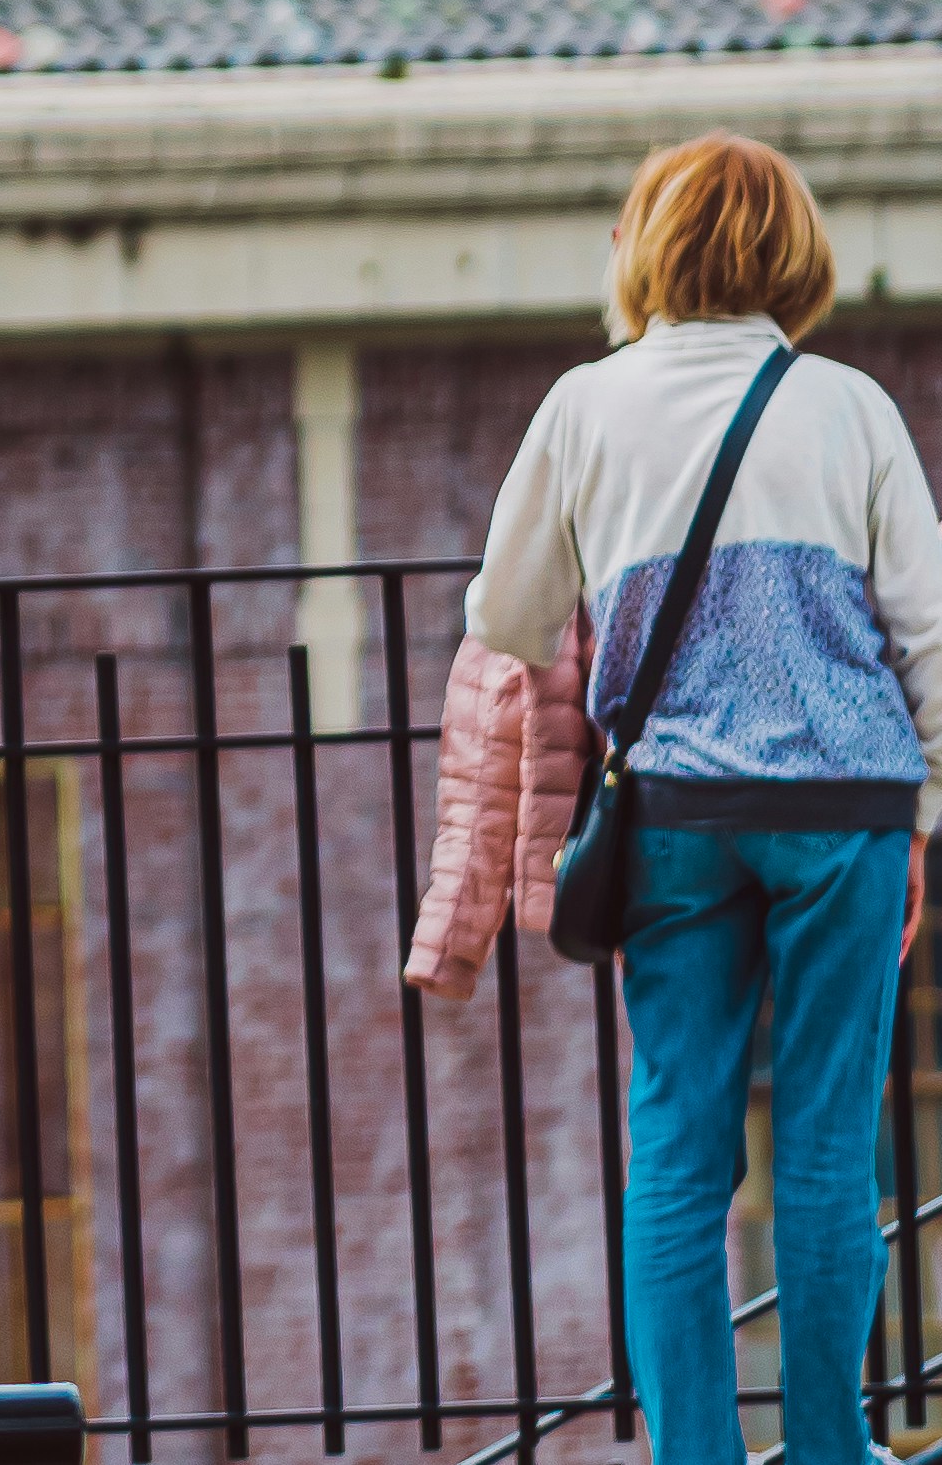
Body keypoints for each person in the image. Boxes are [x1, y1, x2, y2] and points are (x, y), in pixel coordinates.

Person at [406, 133, 942, 1465]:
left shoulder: (586, 406)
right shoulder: (850, 406)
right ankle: (832, 1448)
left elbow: (511, 616)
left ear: (648, 249)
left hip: (679, 822)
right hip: (844, 808)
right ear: (793, 255)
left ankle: (696, 1456)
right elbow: (930, 632)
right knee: (825, 1149)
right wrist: (919, 817)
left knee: (682, 1154)